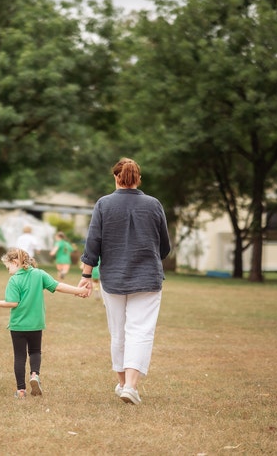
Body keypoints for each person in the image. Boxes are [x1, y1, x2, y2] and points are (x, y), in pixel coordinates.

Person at [78, 158, 171, 406]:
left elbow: (92, 242)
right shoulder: (153, 205)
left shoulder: (103, 204)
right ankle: (130, 386)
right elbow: (164, 247)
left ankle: (122, 384)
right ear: (138, 178)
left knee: (118, 332)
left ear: (115, 178)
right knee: (140, 332)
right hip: (148, 278)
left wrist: (86, 276)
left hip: (113, 279)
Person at [0, 248, 88, 399]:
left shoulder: (14, 280)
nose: (8, 271)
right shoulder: (39, 274)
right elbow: (58, 286)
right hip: (36, 324)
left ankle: (20, 391)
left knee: (19, 356)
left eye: (8, 267)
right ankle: (34, 375)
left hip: (18, 325)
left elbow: (12, 302)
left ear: (15, 262)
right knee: (35, 351)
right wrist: (78, 290)